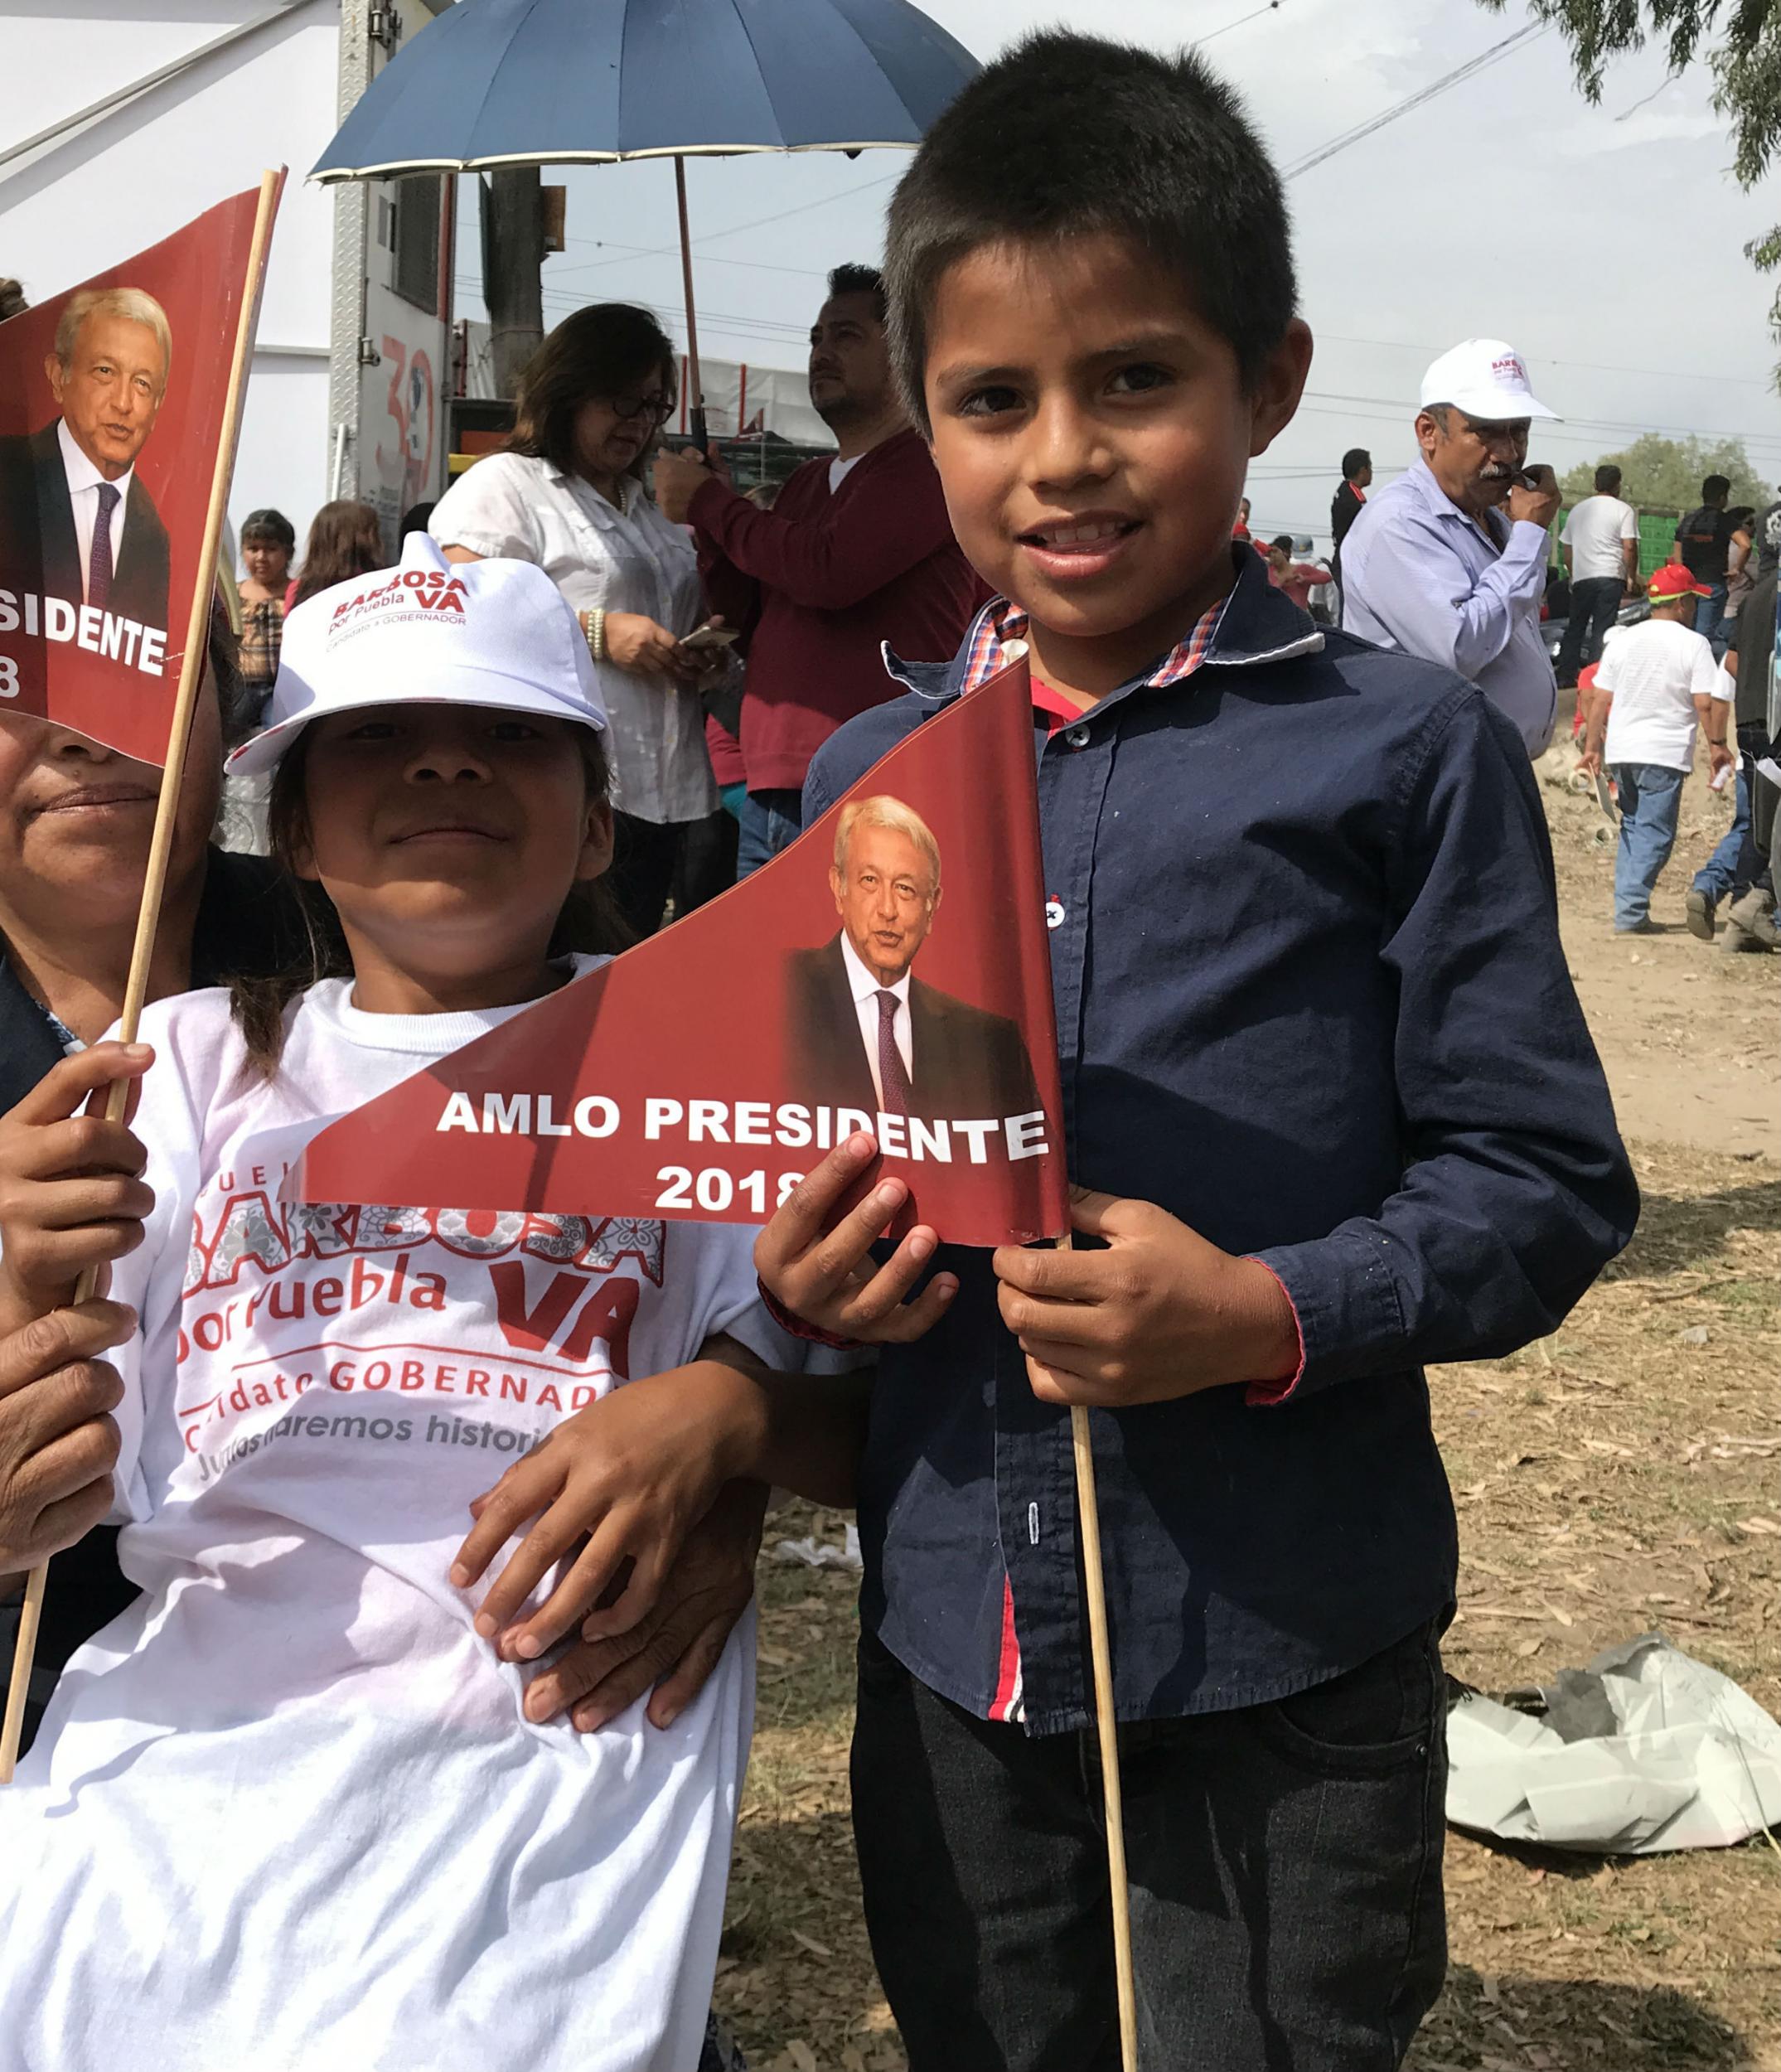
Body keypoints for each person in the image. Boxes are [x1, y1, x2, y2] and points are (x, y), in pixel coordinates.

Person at [749, 32, 1637, 2070]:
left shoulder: (1402, 756)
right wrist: (810, 1278)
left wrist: (1257, 1309)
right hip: (954, 1635)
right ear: (926, 417)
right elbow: (817, 1162)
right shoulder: (872, 787)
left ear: (1270, 377)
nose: (1060, 454)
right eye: (991, 399)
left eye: (1132, 377)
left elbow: (1543, 1181)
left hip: (1276, 1651)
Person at [0, 535, 868, 2071]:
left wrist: (726, 1419)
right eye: (380, 740)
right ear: (299, 834)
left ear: (602, 821)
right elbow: (71, 1447)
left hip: (538, 1782)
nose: (445, 768)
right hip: (168, 1785)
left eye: (509, 737)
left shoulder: (707, 1070)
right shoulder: (188, 1068)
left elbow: (871, 1427)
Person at [654, 266, 982, 879]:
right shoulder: (805, 482)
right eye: (814, 338)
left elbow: (828, 573)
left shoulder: (927, 468)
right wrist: (716, 526)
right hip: (769, 784)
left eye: (846, 336)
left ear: (905, 351)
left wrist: (707, 503)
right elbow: (743, 613)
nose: (821, 353)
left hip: (871, 778)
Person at [429, 305, 729, 937]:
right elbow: (456, 606)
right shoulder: (508, 486)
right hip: (567, 794)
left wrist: (702, 654)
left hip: (669, 790)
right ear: (570, 390)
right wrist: (596, 632)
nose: (640, 423)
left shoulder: (649, 513)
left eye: (653, 406)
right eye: (622, 402)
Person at [1339, 336, 1562, 756]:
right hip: (1426, 784)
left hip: (1486, 771)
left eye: (1520, 431)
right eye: (1488, 432)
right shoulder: (1398, 523)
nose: (1509, 453)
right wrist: (1530, 535)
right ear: (1429, 432)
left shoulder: (1493, 521)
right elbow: (1460, 648)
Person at [785, 795, 1043, 1121]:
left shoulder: (991, 1044)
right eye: (870, 881)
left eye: (905, 889)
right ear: (839, 888)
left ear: (932, 906)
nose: (887, 910)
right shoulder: (778, 993)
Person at [0, 286, 172, 632]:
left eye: (141, 383)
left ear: (157, 406)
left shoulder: (155, 532)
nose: (123, 402)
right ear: (58, 377)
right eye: (105, 372)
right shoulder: (10, 475)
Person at [1580, 565, 1730, 934]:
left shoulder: (1624, 641)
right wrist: (1717, 747)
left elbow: (1600, 698)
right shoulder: (1693, 644)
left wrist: (1593, 746)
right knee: (1656, 833)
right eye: (1692, 600)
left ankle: (1628, 906)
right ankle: (1630, 912)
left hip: (1622, 748)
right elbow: (1705, 703)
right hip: (1663, 750)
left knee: (1633, 826)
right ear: (1679, 604)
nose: (1695, 608)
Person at [1688, 559, 1778, 949]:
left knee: (1750, 828)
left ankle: (1717, 893)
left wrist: (1720, 744)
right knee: (1763, 832)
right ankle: (1751, 906)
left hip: (1748, 740)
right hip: (1768, 731)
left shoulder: (1751, 608)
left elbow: (1722, 692)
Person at [1556, 462, 1639, 689]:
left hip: (1583, 577)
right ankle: (1595, 676)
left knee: (1576, 626)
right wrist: (1631, 576)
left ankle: (1566, 674)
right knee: (1603, 628)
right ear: (1618, 485)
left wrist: (1573, 575)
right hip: (1610, 576)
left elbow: (1567, 549)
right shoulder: (1624, 510)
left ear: (1595, 484)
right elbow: (1629, 546)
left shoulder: (1578, 510)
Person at [236, 506, 297, 709]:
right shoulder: (234, 595)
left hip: (284, 690)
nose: (261, 557)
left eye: (271, 549)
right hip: (241, 690)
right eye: (253, 549)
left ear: (288, 553)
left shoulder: (297, 594)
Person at [1672, 474, 1735, 656]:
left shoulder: (1689, 520)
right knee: (1704, 637)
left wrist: (1683, 577)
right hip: (1712, 585)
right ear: (1723, 497)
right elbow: (1745, 543)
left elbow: (1677, 553)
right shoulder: (1723, 520)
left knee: (1687, 631)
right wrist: (1736, 568)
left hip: (1690, 586)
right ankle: (1702, 674)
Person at [288, 497, 384, 609]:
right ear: (345, 539)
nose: (376, 540)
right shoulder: (379, 583)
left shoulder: (298, 590)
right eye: (369, 532)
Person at [1328, 444, 1370, 602]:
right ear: (1362, 470)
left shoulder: (1343, 491)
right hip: (1350, 561)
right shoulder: (1354, 497)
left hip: (1342, 558)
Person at [1264, 531, 1333, 612]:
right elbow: (1264, 596)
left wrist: (1305, 579)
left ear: (1286, 553)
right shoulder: (1266, 572)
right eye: (1269, 553)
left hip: (1300, 619)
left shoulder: (1302, 569)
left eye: (1275, 552)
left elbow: (1327, 577)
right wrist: (1281, 581)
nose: (1272, 556)